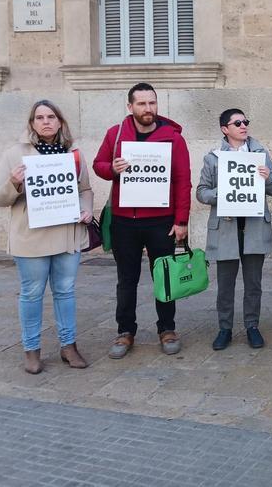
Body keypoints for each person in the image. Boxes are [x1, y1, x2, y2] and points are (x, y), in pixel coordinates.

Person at [0, 100, 92, 374]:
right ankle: (31, 350)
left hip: (67, 233)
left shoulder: (73, 153)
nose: (46, 121)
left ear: (60, 122)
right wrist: (14, 182)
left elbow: (85, 189)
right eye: (40, 117)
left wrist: (86, 209)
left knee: (65, 291)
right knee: (32, 293)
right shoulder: (15, 154)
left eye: (51, 117)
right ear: (32, 123)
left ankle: (68, 346)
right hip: (31, 237)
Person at [92, 83, 192, 359]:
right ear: (130, 106)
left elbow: (183, 180)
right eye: (142, 103)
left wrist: (181, 220)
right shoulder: (115, 134)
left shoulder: (173, 138)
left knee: (165, 277)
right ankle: (125, 331)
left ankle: (167, 328)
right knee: (126, 279)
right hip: (124, 221)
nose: (148, 108)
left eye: (152, 103)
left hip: (161, 220)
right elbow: (98, 165)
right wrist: (112, 169)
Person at [196, 109, 272, 350]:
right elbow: (201, 192)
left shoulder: (260, 153)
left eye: (245, 122)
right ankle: (225, 328)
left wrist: (267, 178)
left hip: (254, 228)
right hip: (226, 229)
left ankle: (252, 326)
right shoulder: (213, 157)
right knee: (225, 284)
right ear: (225, 129)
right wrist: (222, 193)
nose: (244, 126)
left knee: (253, 283)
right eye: (237, 123)